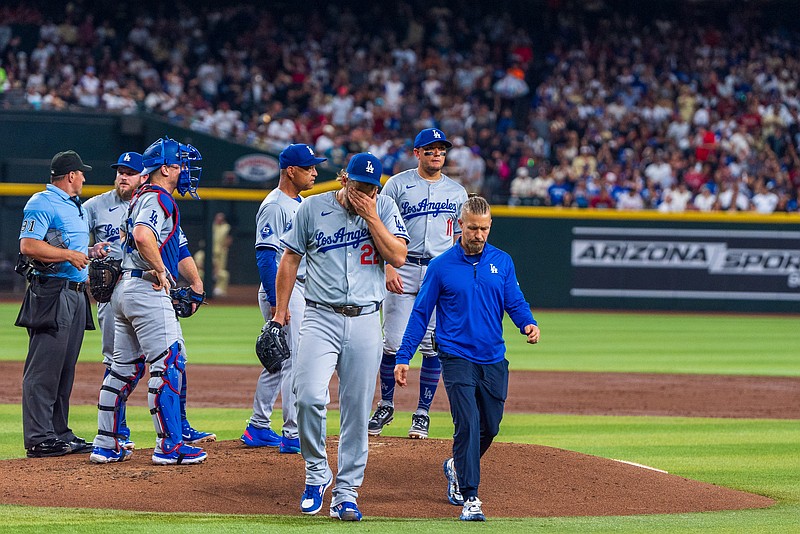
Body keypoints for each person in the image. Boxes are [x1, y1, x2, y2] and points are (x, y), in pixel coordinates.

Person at [273, 153, 408, 521]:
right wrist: (280, 313)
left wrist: (374, 217)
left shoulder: (384, 209)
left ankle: (347, 492)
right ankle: (316, 472)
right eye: (357, 186)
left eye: (370, 188)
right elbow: (289, 258)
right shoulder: (312, 208)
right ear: (344, 179)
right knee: (309, 397)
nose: (363, 193)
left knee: (356, 412)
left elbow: (398, 256)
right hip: (320, 316)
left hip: (366, 320)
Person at [394, 196, 540, 522]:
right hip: (455, 354)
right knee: (468, 422)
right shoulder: (441, 266)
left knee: (491, 426)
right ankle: (470, 496)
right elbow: (420, 314)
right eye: (473, 228)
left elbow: (513, 300)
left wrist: (527, 322)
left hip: (493, 356)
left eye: (484, 228)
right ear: (460, 225)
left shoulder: (502, 262)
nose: (478, 234)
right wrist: (404, 356)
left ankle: (456, 466)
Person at [86, 152, 215, 463]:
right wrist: (160, 269)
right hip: (146, 288)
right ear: (167, 168)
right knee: (169, 362)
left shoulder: (139, 197)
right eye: (181, 164)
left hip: (123, 291)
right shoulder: (158, 198)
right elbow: (144, 236)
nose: (186, 170)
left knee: (123, 369)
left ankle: (107, 443)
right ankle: (170, 445)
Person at [368, 127, 467, 440]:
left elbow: (460, 238)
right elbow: (379, 228)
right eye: (430, 149)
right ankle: (385, 404)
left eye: (441, 149)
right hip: (404, 266)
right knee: (393, 342)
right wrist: (387, 266)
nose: (436, 154)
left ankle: (422, 413)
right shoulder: (397, 185)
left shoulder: (457, 192)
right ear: (417, 153)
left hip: (440, 270)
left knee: (432, 344)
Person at [16, 150, 109, 458]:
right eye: (81, 173)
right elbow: (29, 245)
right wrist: (69, 255)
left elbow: (69, 246)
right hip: (51, 292)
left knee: (64, 368)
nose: (83, 177)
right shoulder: (42, 202)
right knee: (44, 369)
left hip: (76, 292)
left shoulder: (74, 206)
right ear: (70, 176)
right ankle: (39, 438)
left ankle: (60, 433)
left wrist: (90, 251)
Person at [241, 143, 325, 453]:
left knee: (279, 360)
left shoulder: (299, 203)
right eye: (309, 167)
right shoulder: (276, 205)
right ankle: (292, 434)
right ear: (291, 170)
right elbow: (265, 256)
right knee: (295, 362)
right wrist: (280, 303)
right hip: (286, 291)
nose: (315, 172)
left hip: (295, 289)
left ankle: (258, 426)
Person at [211, 212, 231, 296]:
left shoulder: (226, 227)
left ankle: (219, 289)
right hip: (211, 251)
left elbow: (229, 238)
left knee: (222, 273)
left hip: (221, 252)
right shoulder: (212, 226)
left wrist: (224, 246)